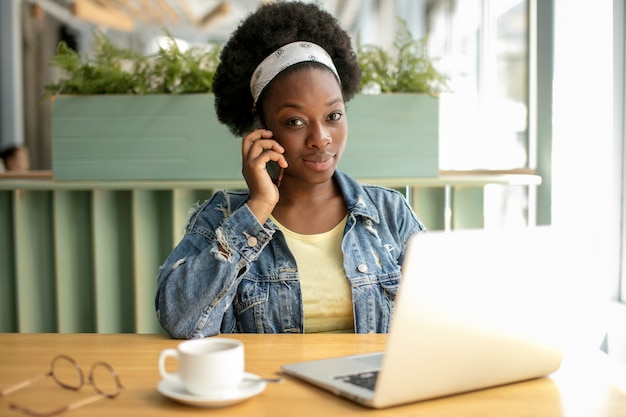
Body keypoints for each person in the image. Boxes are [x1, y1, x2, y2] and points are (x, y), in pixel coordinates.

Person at [155, 1, 426, 339]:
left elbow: (442, 316)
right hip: (272, 389)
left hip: (368, 388)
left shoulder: (390, 213)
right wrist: (256, 210)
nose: (320, 139)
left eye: (333, 116)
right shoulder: (224, 215)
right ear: (262, 124)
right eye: (295, 121)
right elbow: (180, 320)